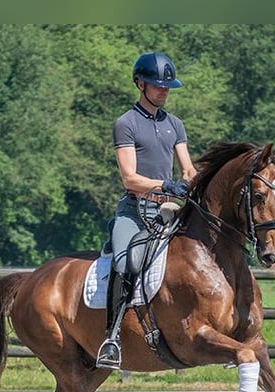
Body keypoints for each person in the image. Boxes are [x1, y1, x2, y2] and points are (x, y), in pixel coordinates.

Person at [96, 51, 197, 369]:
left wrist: (197, 186)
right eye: (157, 85)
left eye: (167, 86)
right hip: (135, 212)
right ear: (140, 84)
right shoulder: (126, 123)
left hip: (168, 212)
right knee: (126, 261)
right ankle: (111, 338)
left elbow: (188, 170)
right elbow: (130, 178)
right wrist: (165, 185)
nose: (164, 90)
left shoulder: (175, 124)